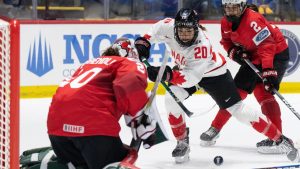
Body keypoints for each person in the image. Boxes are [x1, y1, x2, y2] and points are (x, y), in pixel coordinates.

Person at [143, 8, 299, 163]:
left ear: (196, 29)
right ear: (175, 27)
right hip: (187, 72)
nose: (184, 34)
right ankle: (182, 142)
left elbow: (191, 78)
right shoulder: (168, 26)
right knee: (171, 100)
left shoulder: (201, 46)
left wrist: (169, 75)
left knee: (238, 110)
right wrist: (142, 42)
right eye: (181, 30)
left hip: (214, 75)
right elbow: (154, 30)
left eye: (189, 31)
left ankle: (280, 139)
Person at [47, 37, 157, 169]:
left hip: (56, 128)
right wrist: (141, 120)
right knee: (119, 162)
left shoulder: (88, 63)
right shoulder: (127, 62)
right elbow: (130, 82)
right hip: (92, 126)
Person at [200, 0, 291, 154]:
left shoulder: (253, 20)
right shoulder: (225, 22)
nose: (230, 11)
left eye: (234, 8)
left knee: (264, 93)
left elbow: (267, 45)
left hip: (275, 54)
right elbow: (226, 42)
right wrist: (235, 52)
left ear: (242, 7)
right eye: (227, 8)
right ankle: (215, 128)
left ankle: (277, 139)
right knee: (235, 93)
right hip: (255, 56)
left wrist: (268, 71)